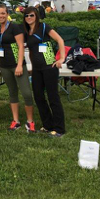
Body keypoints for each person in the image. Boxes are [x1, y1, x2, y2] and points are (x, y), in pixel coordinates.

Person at [23, 8, 66, 137]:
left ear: (36, 16)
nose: (29, 17)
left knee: (53, 97)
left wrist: (61, 58)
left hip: (49, 66)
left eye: (31, 15)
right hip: (37, 69)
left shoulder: (43, 27)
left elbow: (60, 40)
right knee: (38, 97)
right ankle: (47, 125)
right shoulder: (27, 31)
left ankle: (59, 129)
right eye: (26, 15)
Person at [0, 4, 35, 132]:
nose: (1, 16)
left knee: (26, 93)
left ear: (7, 14)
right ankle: (16, 121)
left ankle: (30, 121)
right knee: (12, 92)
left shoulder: (14, 27)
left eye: (3, 13)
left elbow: (21, 46)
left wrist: (19, 65)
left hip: (17, 66)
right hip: (4, 66)